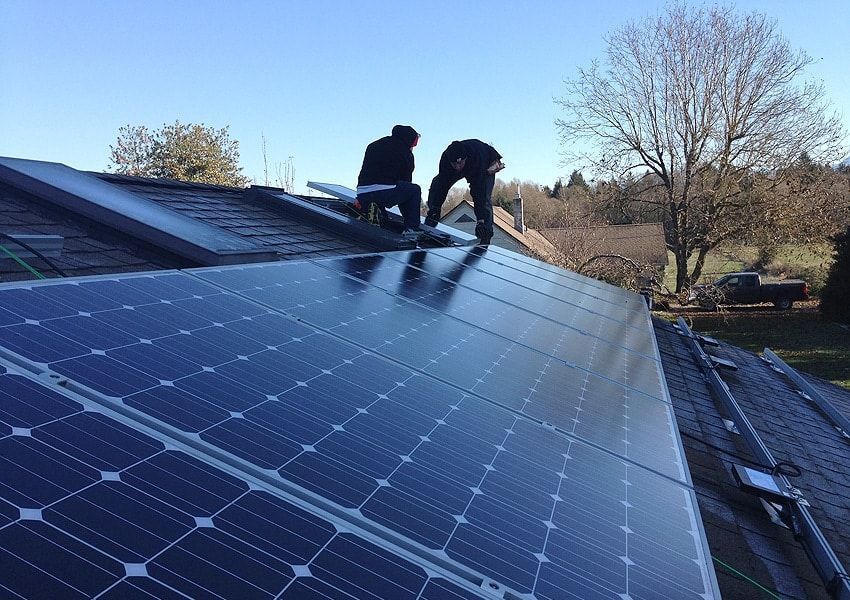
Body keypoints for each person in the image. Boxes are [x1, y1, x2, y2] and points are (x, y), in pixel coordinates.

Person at [424, 139, 504, 244]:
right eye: (454, 164)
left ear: (465, 158)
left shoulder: (477, 158)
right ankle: (433, 215)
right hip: (467, 163)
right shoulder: (446, 160)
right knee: (437, 183)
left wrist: (480, 220)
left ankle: (485, 231)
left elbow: (478, 191)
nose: (457, 167)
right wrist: (435, 207)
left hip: (486, 163)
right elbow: (442, 185)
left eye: (460, 163)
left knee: (484, 197)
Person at [356, 125, 423, 240]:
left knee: (382, 215)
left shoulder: (373, 145)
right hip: (385, 191)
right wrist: (408, 217)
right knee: (414, 190)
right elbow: (406, 184)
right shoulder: (405, 153)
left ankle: (371, 211)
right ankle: (411, 229)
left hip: (363, 191)